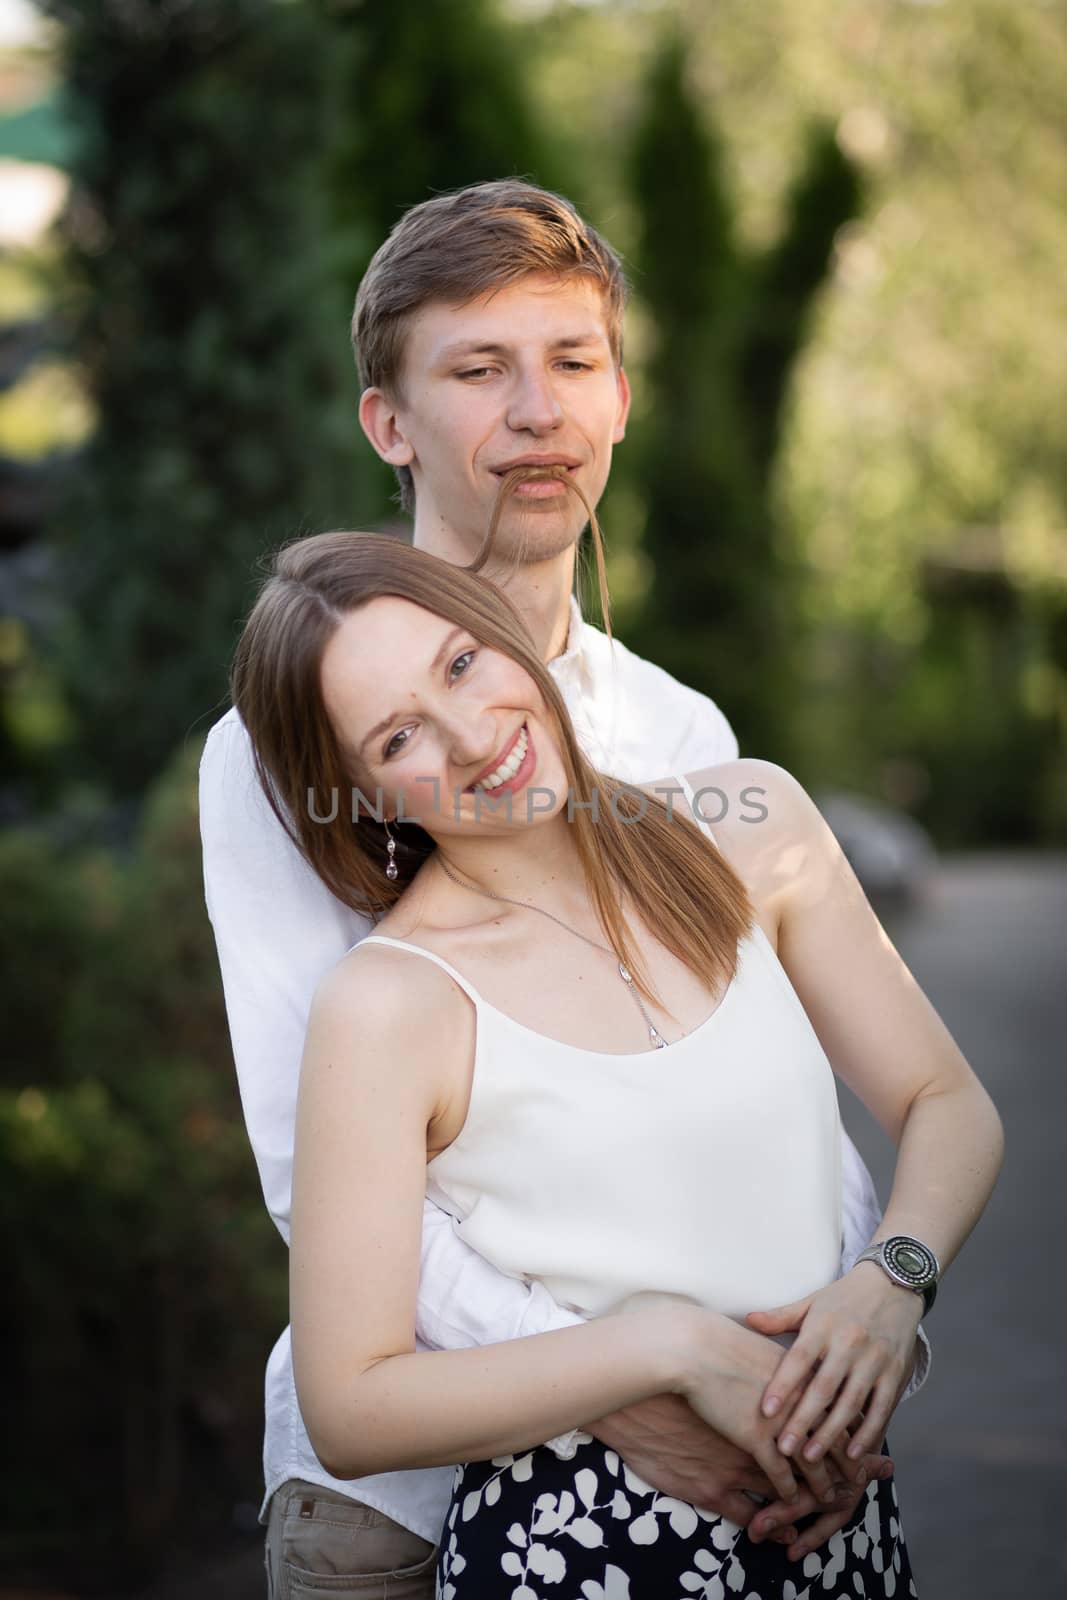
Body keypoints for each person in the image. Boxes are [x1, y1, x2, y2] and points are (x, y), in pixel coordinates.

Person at [199, 180, 928, 1597]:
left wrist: (849, 1322)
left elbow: (775, 1095)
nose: (534, 410)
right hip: (410, 1502)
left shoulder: (686, 739)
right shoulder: (280, 748)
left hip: (752, 1453)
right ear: (388, 426)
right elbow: (313, 1159)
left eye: (568, 363)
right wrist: (629, 1377)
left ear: (618, 400)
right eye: (478, 370)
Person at [228, 525, 1003, 1599]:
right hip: (578, 1547)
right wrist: (666, 1348)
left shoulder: (751, 827)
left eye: (460, 663)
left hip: (842, 1539)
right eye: (399, 734)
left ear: (504, 636)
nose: (469, 734)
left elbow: (945, 1100)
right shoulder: (387, 1002)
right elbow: (351, 1407)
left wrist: (891, 1280)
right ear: (360, 792)